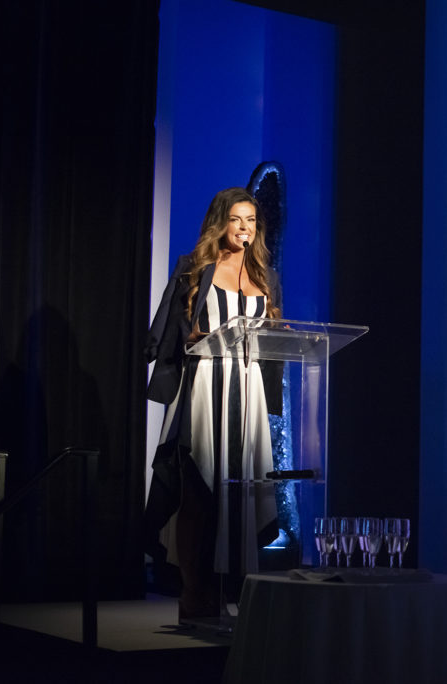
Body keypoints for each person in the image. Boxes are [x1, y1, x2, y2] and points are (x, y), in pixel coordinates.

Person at [144, 187, 283, 620]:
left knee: (242, 493)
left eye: (252, 221)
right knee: (198, 492)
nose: (245, 228)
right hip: (204, 385)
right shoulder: (194, 268)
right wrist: (191, 341)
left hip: (248, 390)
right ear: (221, 222)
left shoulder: (266, 276)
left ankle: (234, 591)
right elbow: (167, 331)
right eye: (237, 219)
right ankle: (193, 593)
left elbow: (276, 338)